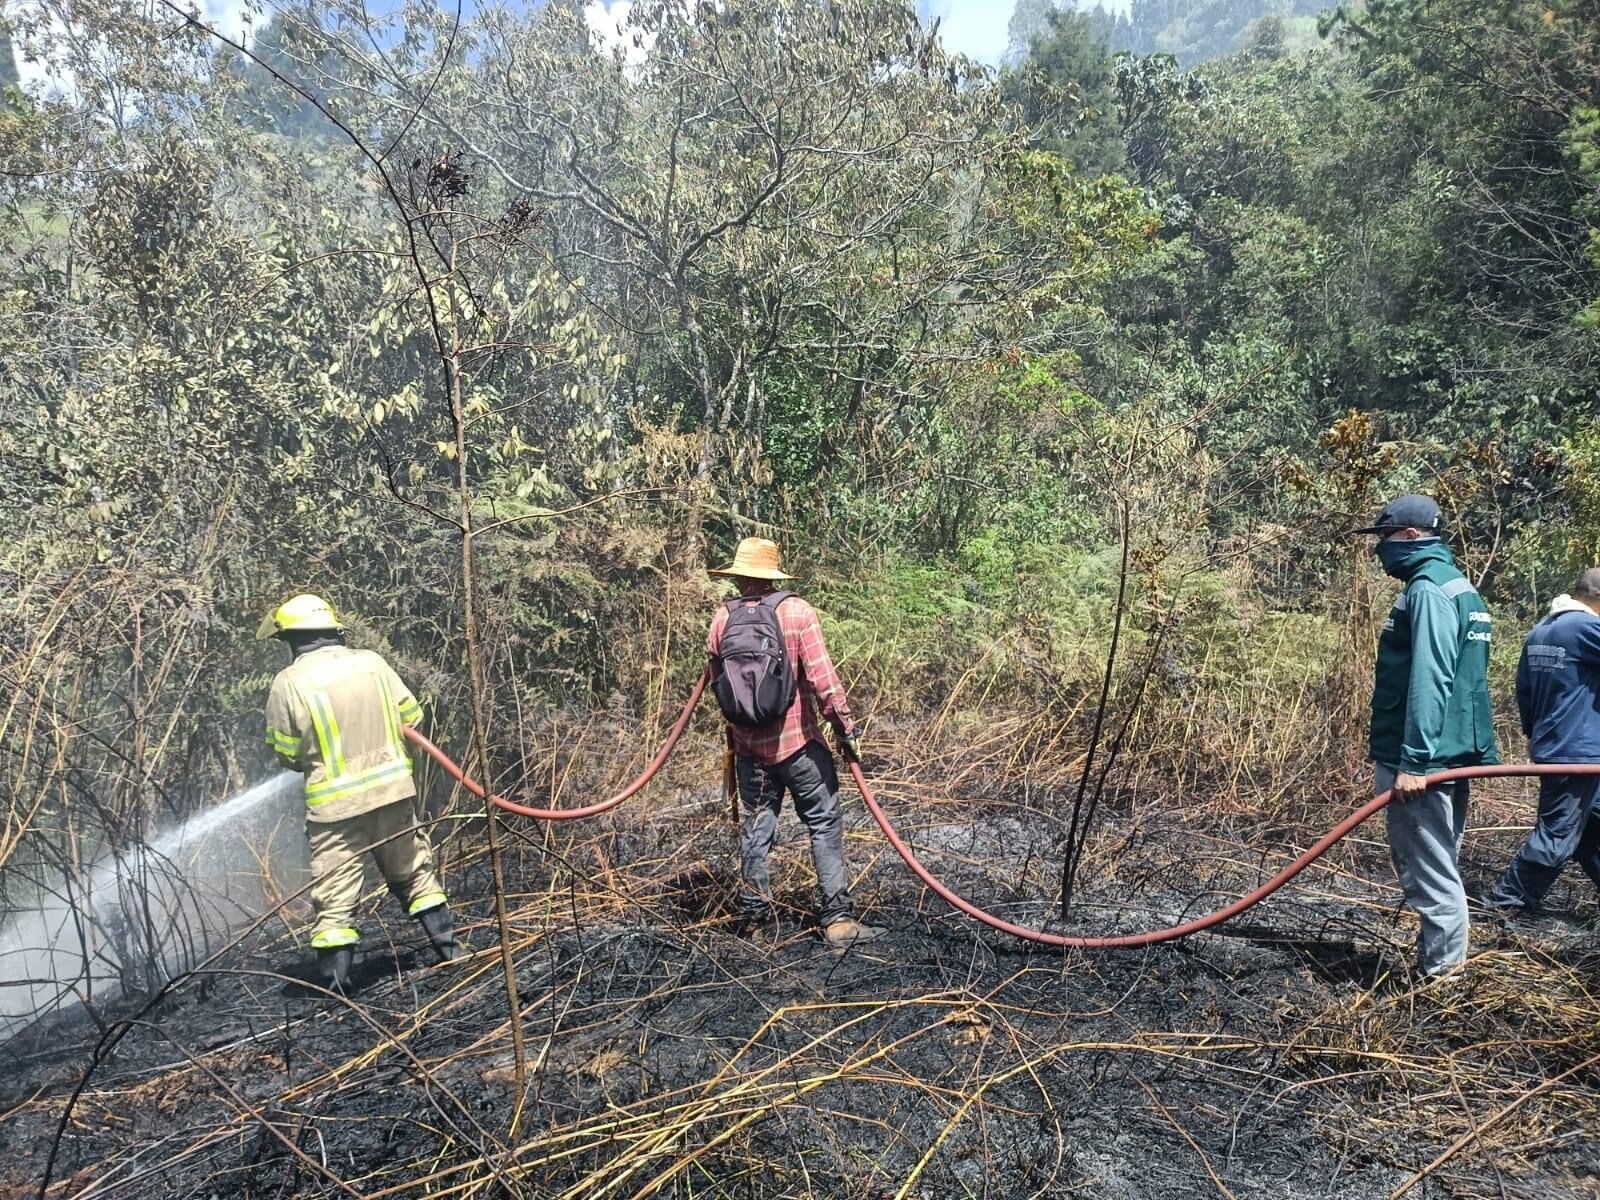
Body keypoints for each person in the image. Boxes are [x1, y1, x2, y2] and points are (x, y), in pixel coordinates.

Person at [259, 593, 464, 990]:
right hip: (392, 793)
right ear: (334, 630)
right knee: (416, 875)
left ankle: (337, 991)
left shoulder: (288, 683)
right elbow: (412, 716)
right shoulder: (372, 663)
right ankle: (452, 952)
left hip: (335, 809)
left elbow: (287, 752)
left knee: (335, 898)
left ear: (291, 639)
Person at [706, 538, 883, 947]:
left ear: (739, 577)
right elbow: (824, 681)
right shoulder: (797, 612)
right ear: (774, 575)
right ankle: (838, 921)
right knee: (823, 822)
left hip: (749, 752)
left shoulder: (722, 617)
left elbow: (718, 685)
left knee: (756, 829)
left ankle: (754, 920)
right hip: (799, 746)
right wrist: (846, 730)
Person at [1356, 494, 1498, 979]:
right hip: (1450, 751)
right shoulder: (1460, 586)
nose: (1381, 548)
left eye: (1385, 537)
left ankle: (1442, 981)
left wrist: (1414, 760)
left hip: (1425, 759)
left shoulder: (1429, 589)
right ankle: (1438, 965)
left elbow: (1431, 678)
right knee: (1441, 863)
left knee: (1431, 872)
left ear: (1412, 535)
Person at [1484, 569, 1600, 916]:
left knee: (1591, 830)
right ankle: (1505, 904)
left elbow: (1524, 690)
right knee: (1556, 836)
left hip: (1559, 746)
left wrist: (1535, 735)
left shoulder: (1542, 630)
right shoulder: (1585, 628)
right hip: (1578, 752)